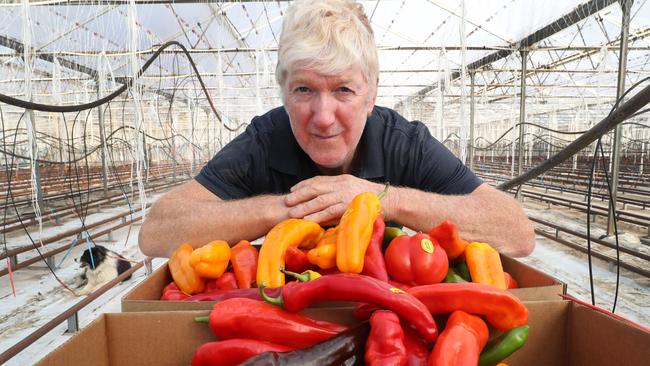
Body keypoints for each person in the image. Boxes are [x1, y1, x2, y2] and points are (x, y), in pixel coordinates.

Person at [138, 0, 535, 258]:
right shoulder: (263, 141)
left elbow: (516, 232)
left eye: (343, 89)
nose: (323, 116)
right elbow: (156, 232)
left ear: (371, 94)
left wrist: (378, 199)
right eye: (304, 89)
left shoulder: (403, 142)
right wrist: (289, 209)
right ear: (283, 91)